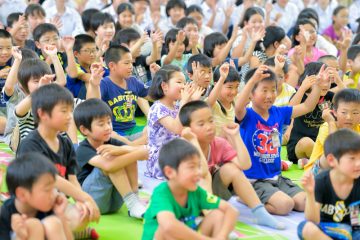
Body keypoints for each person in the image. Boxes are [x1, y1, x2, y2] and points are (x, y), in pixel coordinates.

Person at [179, 100, 285, 229]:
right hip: (186, 200)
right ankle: (214, 222)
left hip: (210, 197)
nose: (209, 127)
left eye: (211, 121)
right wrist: (193, 141)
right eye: (201, 124)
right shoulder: (182, 145)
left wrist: (235, 137)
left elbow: (245, 165)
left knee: (231, 168)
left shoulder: (217, 143)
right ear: (188, 130)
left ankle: (260, 212)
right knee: (202, 177)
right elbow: (202, 171)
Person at [235, 65, 325, 215]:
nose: (270, 95)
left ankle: (264, 196)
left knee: (306, 202)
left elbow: (308, 106)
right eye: (264, 90)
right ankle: (246, 197)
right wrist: (252, 81)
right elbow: (238, 107)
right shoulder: (247, 115)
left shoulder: (279, 112)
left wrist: (318, 86)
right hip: (255, 180)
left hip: (277, 178)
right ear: (251, 93)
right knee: (285, 205)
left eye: (273, 90)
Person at [16, 84, 100, 228]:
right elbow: (50, 179)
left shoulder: (66, 143)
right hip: (30, 208)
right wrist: (85, 197)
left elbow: (72, 179)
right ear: (42, 114)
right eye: (64, 111)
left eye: (71, 111)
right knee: (49, 226)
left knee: (84, 215)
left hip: (57, 205)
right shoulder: (30, 144)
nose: (70, 117)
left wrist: (81, 203)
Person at [142, 138, 238, 240]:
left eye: (198, 167)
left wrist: (221, 236)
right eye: (191, 167)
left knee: (217, 215)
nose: (198, 172)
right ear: (170, 172)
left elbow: (231, 210)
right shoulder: (161, 193)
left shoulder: (196, 192)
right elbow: (169, 226)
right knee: (165, 230)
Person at [74, 98, 148, 218]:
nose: (108, 127)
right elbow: (109, 165)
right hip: (93, 201)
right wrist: (138, 151)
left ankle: (134, 200)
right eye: (101, 124)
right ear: (84, 130)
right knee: (111, 159)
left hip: (116, 202)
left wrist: (123, 150)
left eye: (109, 122)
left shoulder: (111, 141)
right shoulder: (83, 149)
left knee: (124, 155)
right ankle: (133, 203)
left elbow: (143, 153)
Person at [298, 129, 360, 240]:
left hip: (350, 229)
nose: (358, 163)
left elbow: (356, 221)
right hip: (324, 228)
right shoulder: (321, 181)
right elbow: (313, 220)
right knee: (306, 228)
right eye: (352, 158)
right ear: (331, 160)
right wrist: (310, 193)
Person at [0, 152, 74, 240]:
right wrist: (20, 236)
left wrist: (61, 215)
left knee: (53, 223)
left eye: (53, 188)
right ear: (22, 194)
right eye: (47, 190)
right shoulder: (6, 212)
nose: (54, 194)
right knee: (32, 225)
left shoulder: (50, 206)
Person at [146, 65, 200, 179]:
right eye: (179, 82)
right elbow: (177, 128)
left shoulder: (176, 106)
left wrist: (193, 100)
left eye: (184, 83)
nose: (183, 86)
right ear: (164, 86)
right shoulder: (158, 108)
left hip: (176, 151)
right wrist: (184, 101)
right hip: (161, 158)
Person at [306, 88, 360, 174]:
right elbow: (334, 149)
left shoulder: (358, 127)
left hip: (348, 171)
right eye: (344, 112)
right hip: (319, 172)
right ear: (335, 112)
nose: (349, 117)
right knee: (332, 154)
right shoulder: (327, 126)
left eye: (355, 113)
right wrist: (331, 122)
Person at [101, 45, 149, 139]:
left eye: (131, 62)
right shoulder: (104, 83)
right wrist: (93, 84)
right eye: (126, 63)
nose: (131, 66)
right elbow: (93, 102)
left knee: (153, 131)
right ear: (112, 65)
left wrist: (159, 77)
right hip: (114, 132)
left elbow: (152, 95)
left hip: (133, 129)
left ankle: (134, 146)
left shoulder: (133, 81)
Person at [0, 30, 14, 134]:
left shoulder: (16, 60)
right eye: (0, 48)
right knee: (3, 124)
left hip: (11, 108)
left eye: (8, 48)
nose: (5, 52)